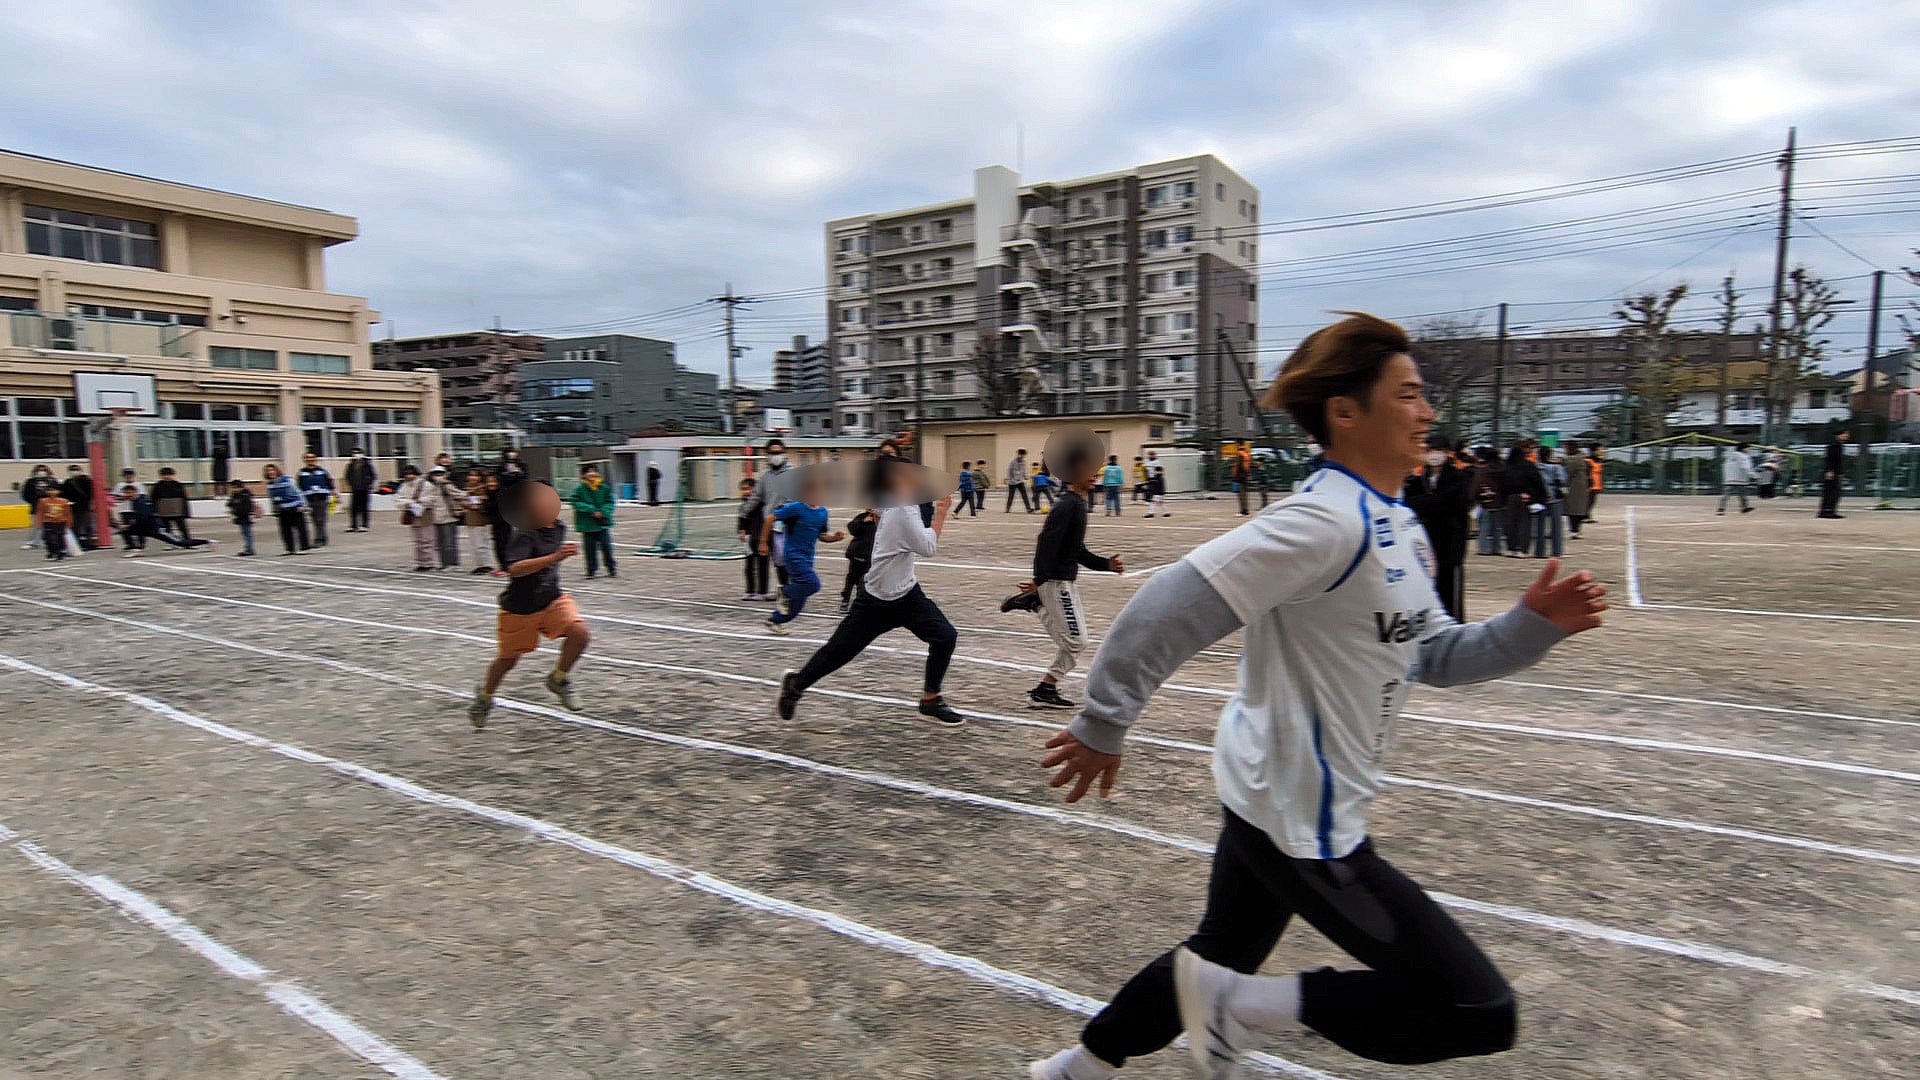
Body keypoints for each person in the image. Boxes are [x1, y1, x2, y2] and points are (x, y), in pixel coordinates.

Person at [1029, 311, 1608, 1079]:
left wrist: (1530, 627)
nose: (1427, 412)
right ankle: (1234, 1010)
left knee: (1220, 950)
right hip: (1299, 811)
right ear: (1345, 413)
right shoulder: (1323, 524)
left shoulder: (1399, 525)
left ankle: (1079, 1069)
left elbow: (1430, 654)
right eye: (1406, 394)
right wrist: (1104, 723)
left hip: (1270, 786)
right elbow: (1166, 602)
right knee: (1475, 1011)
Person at [774, 457, 964, 727]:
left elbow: (875, 509)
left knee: (945, 636)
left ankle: (931, 699)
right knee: (839, 651)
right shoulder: (902, 509)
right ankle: (795, 685)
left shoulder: (896, 503)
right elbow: (928, 547)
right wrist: (942, 510)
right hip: (875, 600)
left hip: (907, 594)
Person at [1004, 432, 1124, 710]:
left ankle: (1046, 686)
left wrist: (1105, 564)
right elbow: (1046, 544)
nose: (1095, 474)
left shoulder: (1077, 505)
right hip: (1056, 582)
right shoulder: (1068, 506)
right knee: (1077, 641)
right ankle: (1046, 683)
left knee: (1077, 641)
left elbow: (1076, 549)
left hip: (1062, 581)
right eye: (1088, 470)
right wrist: (1039, 582)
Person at [467, 480, 592, 729]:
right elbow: (515, 569)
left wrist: (556, 559)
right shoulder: (525, 532)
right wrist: (555, 557)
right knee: (508, 660)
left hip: (552, 598)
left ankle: (558, 679)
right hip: (520, 606)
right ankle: (485, 697)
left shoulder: (558, 528)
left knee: (580, 633)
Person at [759, 467, 845, 634]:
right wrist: (763, 543)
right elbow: (770, 519)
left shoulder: (822, 512)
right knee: (813, 584)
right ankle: (784, 591)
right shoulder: (796, 507)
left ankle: (775, 620)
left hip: (808, 558)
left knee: (799, 599)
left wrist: (834, 537)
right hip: (793, 555)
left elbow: (822, 536)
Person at [1405, 438, 1472, 622]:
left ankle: (1453, 626)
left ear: (1447, 453)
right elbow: (1408, 503)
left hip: (1450, 542)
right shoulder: (1418, 479)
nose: (1434, 454)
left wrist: (1428, 503)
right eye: (1431, 449)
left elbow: (1453, 504)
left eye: (1439, 450)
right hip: (1425, 541)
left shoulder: (1458, 478)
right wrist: (1433, 502)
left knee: (1450, 591)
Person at [741, 438, 797, 590]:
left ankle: (790, 589)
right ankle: (783, 589)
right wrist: (744, 513)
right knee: (777, 560)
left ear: (784, 453)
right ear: (767, 454)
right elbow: (756, 497)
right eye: (772, 453)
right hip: (770, 526)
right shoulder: (766, 477)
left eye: (779, 452)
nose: (776, 455)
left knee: (787, 561)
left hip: (789, 526)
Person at [114, 485, 213, 557]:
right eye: (125, 493)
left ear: (134, 492)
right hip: (146, 526)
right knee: (126, 531)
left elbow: (143, 516)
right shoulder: (135, 500)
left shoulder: (141, 501)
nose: (127, 495)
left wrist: (130, 525)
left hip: (156, 528)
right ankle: (137, 549)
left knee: (180, 542)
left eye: (129, 493)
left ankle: (207, 542)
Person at [571, 463, 618, 579]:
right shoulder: (579, 489)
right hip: (588, 525)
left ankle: (611, 568)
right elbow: (575, 502)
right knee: (589, 550)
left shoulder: (604, 487)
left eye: (594, 471)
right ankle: (591, 570)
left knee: (607, 548)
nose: (592, 474)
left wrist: (603, 511)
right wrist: (591, 510)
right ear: (584, 475)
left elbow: (610, 502)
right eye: (588, 471)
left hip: (602, 524)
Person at [1501, 444, 1547, 559]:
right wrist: (1539, 497)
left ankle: (1511, 548)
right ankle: (1523, 549)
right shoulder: (1528, 465)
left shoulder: (1507, 466)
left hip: (1510, 497)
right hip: (1525, 497)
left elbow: (1502, 484)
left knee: (1510, 524)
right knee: (1524, 524)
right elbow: (1538, 482)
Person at [396, 465, 442, 571]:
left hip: (425, 513)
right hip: (412, 513)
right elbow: (399, 499)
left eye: (411, 474)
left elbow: (432, 498)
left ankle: (429, 562)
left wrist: (419, 502)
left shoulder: (426, 485)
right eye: (407, 474)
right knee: (417, 541)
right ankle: (421, 562)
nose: (409, 476)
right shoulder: (404, 486)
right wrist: (409, 503)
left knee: (427, 540)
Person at [738, 477, 773, 601]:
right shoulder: (743, 507)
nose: (746, 492)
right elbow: (741, 523)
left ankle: (763, 591)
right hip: (749, 540)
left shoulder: (762, 505)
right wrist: (741, 532)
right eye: (743, 489)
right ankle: (750, 591)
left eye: (748, 489)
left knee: (763, 566)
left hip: (762, 539)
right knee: (749, 567)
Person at [263, 464, 310, 556]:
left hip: (295, 506)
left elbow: (298, 492)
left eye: (272, 470)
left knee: (300, 528)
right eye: (268, 471)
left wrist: (303, 505)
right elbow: (272, 498)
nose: (270, 472)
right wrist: (274, 509)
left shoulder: (287, 480)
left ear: (276, 471)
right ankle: (290, 549)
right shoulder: (270, 484)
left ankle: (303, 547)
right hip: (282, 509)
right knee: (285, 530)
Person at [841, 507, 878, 614]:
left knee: (864, 581)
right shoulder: (862, 517)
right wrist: (863, 521)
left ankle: (859, 604)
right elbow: (852, 528)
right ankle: (845, 600)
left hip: (870, 557)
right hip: (857, 554)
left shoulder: (882, 520)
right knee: (852, 578)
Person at [1532, 445, 1567, 559]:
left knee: (1540, 526)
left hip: (1540, 498)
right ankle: (1557, 551)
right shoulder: (1556, 467)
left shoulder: (1535, 468)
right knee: (1556, 526)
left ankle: (1540, 551)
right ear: (1549, 455)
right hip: (1554, 498)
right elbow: (1563, 480)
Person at [297, 452, 336, 547]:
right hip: (310, 499)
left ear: (315, 459)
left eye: (312, 458)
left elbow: (329, 483)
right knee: (315, 520)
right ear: (305, 460)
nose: (310, 460)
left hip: (321, 498)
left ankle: (319, 539)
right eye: (308, 458)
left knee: (320, 519)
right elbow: (299, 486)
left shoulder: (322, 471)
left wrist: (334, 494)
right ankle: (322, 538)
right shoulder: (302, 472)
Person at [1471, 448, 1504, 556]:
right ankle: (1496, 549)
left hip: (1485, 500)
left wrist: (1473, 498)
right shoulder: (1503, 469)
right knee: (1497, 528)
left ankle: (1483, 549)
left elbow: (1475, 486)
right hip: (1499, 502)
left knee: (1484, 527)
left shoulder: (1482, 471)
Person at [463, 467, 496, 574]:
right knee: (474, 544)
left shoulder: (482, 488)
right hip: (470, 518)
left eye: (475, 475)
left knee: (481, 543)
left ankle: (486, 564)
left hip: (480, 519)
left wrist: (474, 502)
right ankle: (479, 564)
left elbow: (483, 501)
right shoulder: (467, 488)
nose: (472, 477)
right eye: (471, 475)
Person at [19, 464, 59, 551]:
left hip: (51, 507)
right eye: (39, 470)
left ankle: (51, 541)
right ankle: (33, 542)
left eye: (43, 470)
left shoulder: (52, 481)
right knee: (37, 525)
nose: (41, 472)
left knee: (52, 525)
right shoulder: (30, 482)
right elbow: (25, 494)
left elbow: (58, 492)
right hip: (36, 506)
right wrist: (34, 501)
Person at [430, 466, 463, 568]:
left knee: (449, 543)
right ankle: (444, 563)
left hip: (448, 517)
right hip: (436, 518)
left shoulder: (447, 486)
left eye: (440, 474)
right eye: (435, 474)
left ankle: (452, 563)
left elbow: (460, 494)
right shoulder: (431, 486)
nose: (438, 476)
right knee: (440, 543)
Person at [481, 471, 511, 578]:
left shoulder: (501, 493)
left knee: (504, 545)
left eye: (493, 481)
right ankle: (503, 566)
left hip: (504, 523)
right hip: (496, 523)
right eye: (489, 482)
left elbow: (493, 506)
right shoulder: (489, 494)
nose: (491, 484)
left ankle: (507, 567)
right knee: (497, 545)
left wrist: (485, 502)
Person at [151, 467, 193, 541]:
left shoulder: (178, 485)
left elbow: (184, 498)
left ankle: (187, 541)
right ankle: (170, 542)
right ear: (161, 476)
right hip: (163, 511)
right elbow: (153, 499)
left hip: (177, 510)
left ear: (173, 475)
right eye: (164, 475)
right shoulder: (157, 486)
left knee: (182, 527)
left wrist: (185, 512)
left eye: (169, 474)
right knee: (167, 528)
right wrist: (154, 511)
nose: (167, 476)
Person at [34, 484, 74, 560]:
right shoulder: (43, 501)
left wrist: (69, 522)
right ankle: (52, 552)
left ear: (59, 491)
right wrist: (38, 522)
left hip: (60, 522)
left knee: (60, 538)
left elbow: (67, 513)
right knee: (47, 538)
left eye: (54, 490)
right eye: (50, 490)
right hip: (48, 522)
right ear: (46, 492)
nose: (52, 492)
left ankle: (61, 552)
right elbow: (40, 512)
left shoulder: (63, 501)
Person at [61, 464, 96, 549]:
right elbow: (63, 494)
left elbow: (91, 493)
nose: (74, 472)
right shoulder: (67, 482)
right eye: (72, 470)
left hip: (84, 506)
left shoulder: (86, 480)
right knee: (74, 526)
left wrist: (91, 503)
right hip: (72, 507)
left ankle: (89, 542)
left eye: (76, 469)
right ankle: (77, 543)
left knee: (87, 524)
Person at [1562, 443, 1593, 538]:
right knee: (1577, 510)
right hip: (1580, 487)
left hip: (1575, 487)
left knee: (1574, 510)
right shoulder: (1582, 458)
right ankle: (1575, 530)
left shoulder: (1575, 459)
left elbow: (1568, 468)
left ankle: (1574, 530)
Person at [1718, 441, 1756, 515]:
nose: (1748, 450)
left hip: (1729, 479)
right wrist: (1754, 476)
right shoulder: (1744, 457)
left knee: (1726, 495)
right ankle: (1744, 508)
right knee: (1743, 495)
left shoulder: (1729, 456)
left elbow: (1725, 467)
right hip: (1740, 479)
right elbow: (1745, 468)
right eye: (1747, 448)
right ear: (1743, 449)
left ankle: (1721, 509)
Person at [227, 477, 262, 557]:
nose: (234, 490)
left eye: (235, 488)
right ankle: (248, 548)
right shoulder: (235, 495)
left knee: (248, 533)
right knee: (244, 533)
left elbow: (248, 507)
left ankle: (249, 549)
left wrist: (252, 513)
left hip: (246, 516)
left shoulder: (245, 495)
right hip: (240, 517)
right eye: (233, 488)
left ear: (240, 487)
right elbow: (230, 504)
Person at [345, 448, 376, 532]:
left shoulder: (367, 464)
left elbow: (372, 476)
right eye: (354, 453)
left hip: (364, 489)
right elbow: (347, 475)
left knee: (364, 507)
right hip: (355, 489)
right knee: (353, 508)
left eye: (357, 453)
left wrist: (367, 483)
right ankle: (353, 525)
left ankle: (364, 525)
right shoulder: (351, 464)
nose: (355, 455)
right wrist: (351, 483)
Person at [1818, 431, 1848, 519]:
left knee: (1835, 492)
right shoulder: (1833, 445)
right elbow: (1829, 459)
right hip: (1832, 472)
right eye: (1845, 434)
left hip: (1836, 472)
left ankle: (1830, 510)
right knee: (1831, 492)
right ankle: (1827, 511)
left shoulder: (1839, 445)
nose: (1846, 436)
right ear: (1839, 435)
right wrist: (1829, 470)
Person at [1584, 445, 1606, 523]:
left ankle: (1588, 515)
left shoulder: (1599, 460)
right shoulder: (1588, 460)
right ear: (1594, 451)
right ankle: (1585, 516)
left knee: (1592, 501)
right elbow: (1586, 473)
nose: (1602, 451)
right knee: (1588, 501)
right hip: (1590, 484)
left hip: (1597, 484)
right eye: (1599, 450)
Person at [1144, 453, 1169, 518]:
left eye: (1157, 471)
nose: (1156, 472)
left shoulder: (1159, 477)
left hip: (1158, 492)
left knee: (1153, 502)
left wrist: (1150, 482)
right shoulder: (1159, 477)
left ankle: (1151, 513)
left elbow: (1156, 483)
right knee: (1162, 502)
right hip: (1160, 492)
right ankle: (1166, 512)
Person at [1232, 443, 1254, 515]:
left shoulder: (1240, 455)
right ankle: (1246, 509)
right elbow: (1248, 467)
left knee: (1241, 495)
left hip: (1240, 478)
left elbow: (1239, 467)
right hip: (1245, 478)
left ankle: (1243, 511)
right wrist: (1248, 475)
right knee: (1245, 495)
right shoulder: (1247, 456)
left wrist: (1235, 478)